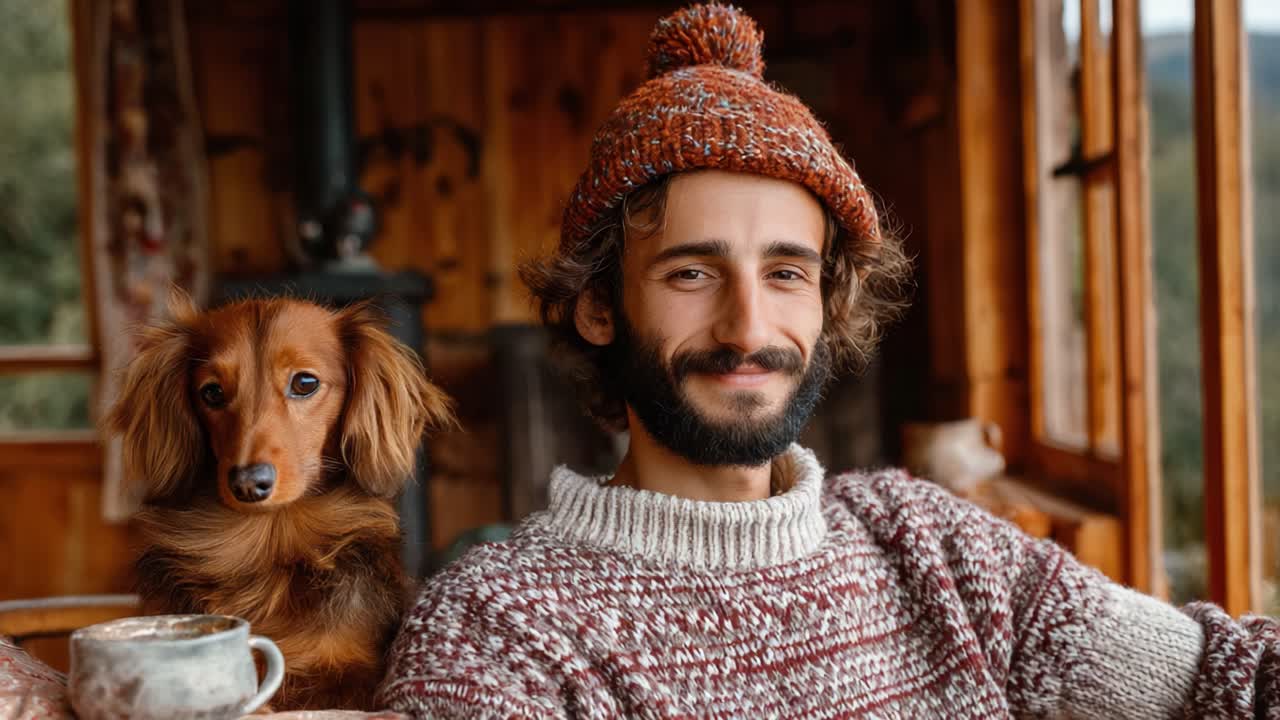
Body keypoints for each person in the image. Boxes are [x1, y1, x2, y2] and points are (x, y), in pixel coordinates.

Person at [378, 4, 1280, 717]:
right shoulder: (502, 630)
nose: (748, 326)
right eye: (693, 272)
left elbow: (1227, 678)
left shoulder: (934, 549)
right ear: (601, 307)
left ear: (828, 299)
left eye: (786, 272)